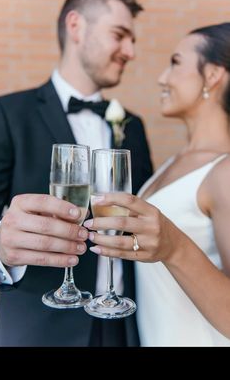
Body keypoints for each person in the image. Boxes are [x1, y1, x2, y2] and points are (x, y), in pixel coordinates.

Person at [0, 0, 153, 346]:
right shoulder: (6, 114)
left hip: (123, 327)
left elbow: (140, 229)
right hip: (39, 332)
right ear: (76, 26)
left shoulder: (133, 126)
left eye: (133, 40)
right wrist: (0, 249)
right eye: (119, 35)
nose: (130, 51)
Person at [84, 22, 230, 346]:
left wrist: (174, 247)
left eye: (175, 63)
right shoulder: (171, 162)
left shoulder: (225, 171)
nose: (162, 78)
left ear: (212, 76)